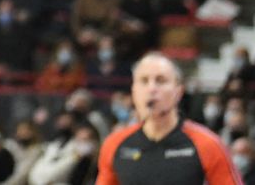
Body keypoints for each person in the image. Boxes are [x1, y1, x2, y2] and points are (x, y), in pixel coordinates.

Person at [98, 52, 242, 185]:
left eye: (160, 81)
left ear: (178, 92)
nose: (151, 88)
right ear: (134, 91)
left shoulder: (207, 144)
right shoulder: (114, 144)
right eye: (144, 81)